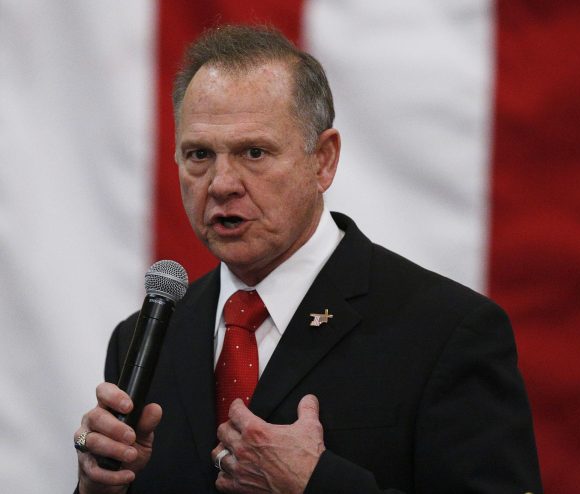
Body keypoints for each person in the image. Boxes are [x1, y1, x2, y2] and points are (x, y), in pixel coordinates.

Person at [73, 24, 542, 493]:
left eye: (254, 152)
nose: (221, 183)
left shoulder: (446, 332)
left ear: (323, 160)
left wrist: (316, 484)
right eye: (199, 154)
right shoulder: (141, 341)